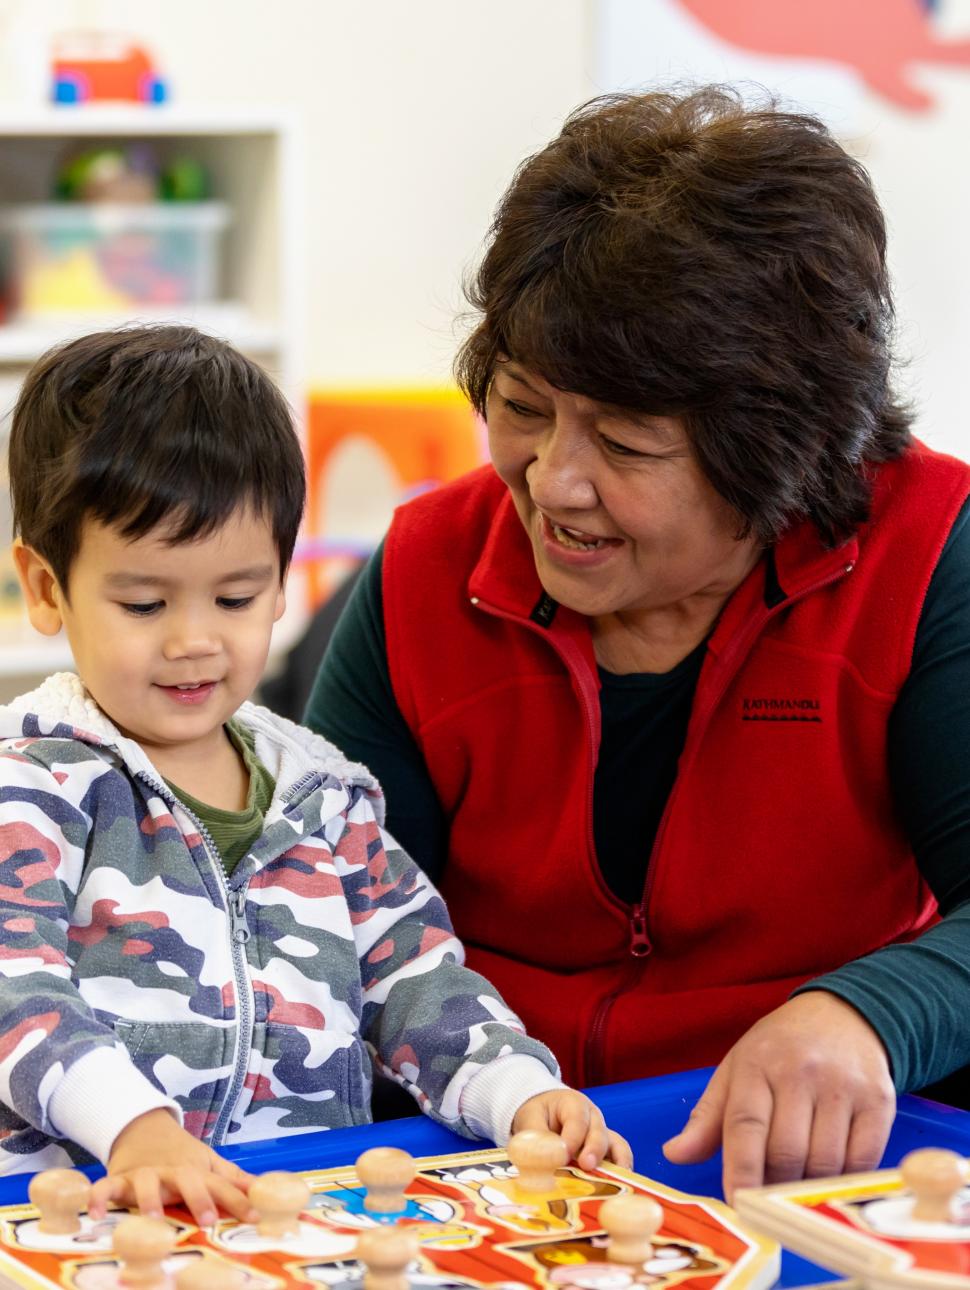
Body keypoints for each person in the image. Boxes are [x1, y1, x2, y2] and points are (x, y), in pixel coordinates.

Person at [305, 86, 970, 1202]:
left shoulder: (929, 553)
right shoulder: (426, 565)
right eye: (520, 404)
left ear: (783, 451)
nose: (551, 482)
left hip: (810, 1166)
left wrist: (869, 1009)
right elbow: (325, 916)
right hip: (480, 1156)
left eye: (622, 440)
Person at [0, 325, 630, 1225]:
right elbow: (15, 992)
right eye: (144, 603)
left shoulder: (326, 798)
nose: (195, 641)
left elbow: (417, 981)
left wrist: (518, 1095)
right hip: (85, 1223)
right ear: (48, 589)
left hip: (301, 1221)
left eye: (236, 596)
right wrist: (133, 1125)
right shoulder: (32, 786)